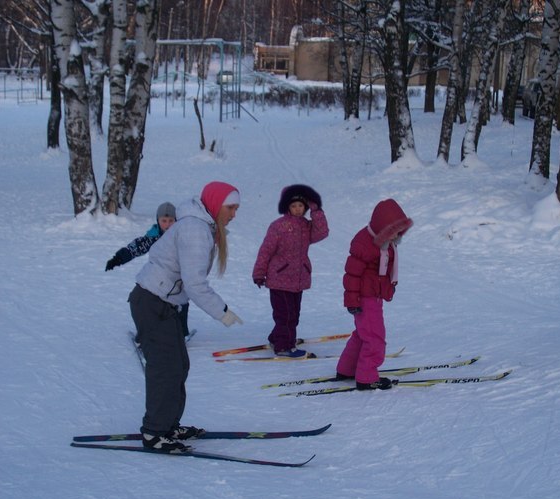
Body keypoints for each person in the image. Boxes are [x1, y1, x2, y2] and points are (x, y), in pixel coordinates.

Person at [128, 181, 243, 452]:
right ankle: (155, 432)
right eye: (231, 207)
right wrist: (222, 312)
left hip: (163, 304)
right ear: (215, 204)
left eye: (237, 209)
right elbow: (194, 284)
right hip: (152, 303)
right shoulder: (195, 230)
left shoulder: (202, 227)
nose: (233, 215)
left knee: (178, 365)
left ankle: (168, 424)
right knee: (165, 369)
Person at [336, 199, 413, 390]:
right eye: (394, 230)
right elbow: (352, 274)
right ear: (383, 227)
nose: (397, 235)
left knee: (363, 334)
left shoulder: (387, 244)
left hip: (373, 296)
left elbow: (384, 272)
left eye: (399, 230)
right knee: (374, 338)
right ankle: (367, 377)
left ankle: (347, 369)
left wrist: (388, 289)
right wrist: (352, 300)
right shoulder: (365, 244)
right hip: (365, 298)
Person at [252, 184, 329, 357]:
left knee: (293, 314)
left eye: (301, 206)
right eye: (293, 206)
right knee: (285, 316)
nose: (297, 209)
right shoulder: (278, 226)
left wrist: (316, 208)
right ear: (287, 206)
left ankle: (277, 337)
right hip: (279, 278)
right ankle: (284, 346)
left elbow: (323, 232)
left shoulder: (306, 226)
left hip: (298, 278)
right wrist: (259, 273)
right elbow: (266, 250)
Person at [106, 203, 192, 337]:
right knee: (146, 301)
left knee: (182, 301)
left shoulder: (182, 236)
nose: (168, 224)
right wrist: (117, 259)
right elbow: (136, 247)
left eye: (171, 221)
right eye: (164, 221)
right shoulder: (154, 236)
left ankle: (181, 333)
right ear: (158, 220)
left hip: (178, 277)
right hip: (157, 276)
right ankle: (146, 332)